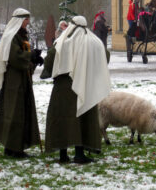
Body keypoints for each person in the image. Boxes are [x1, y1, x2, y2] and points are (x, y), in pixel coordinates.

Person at [41, 16, 111, 164]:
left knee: (63, 120)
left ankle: (63, 154)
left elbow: (49, 61)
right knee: (82, 119)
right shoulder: (93, 42)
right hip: (84, 86)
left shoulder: (62, 42)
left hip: (63, 88)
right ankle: (80, 154)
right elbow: (105, 57)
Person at [0, 8, 41, 158]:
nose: (28, 22)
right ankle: (13, 148)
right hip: (14, 80)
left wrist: (34, 59)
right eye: (26, 20)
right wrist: (30, 55)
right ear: (19, 20)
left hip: (21, 79)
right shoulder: (11, 36)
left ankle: (14, 146)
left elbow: (23, 55)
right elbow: (15, 57)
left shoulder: (20, 35)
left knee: (20, 111)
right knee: (14, 112)